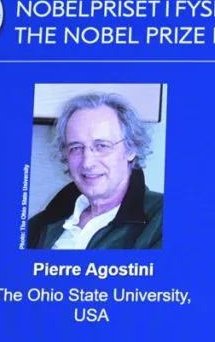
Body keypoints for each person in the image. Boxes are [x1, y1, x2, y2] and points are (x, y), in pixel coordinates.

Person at [27, 91, 163, 249]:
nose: (87, 162)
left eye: (102, 146)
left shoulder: (162, 219)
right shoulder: (39, 225)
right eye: (76, 148)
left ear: (131, 149)